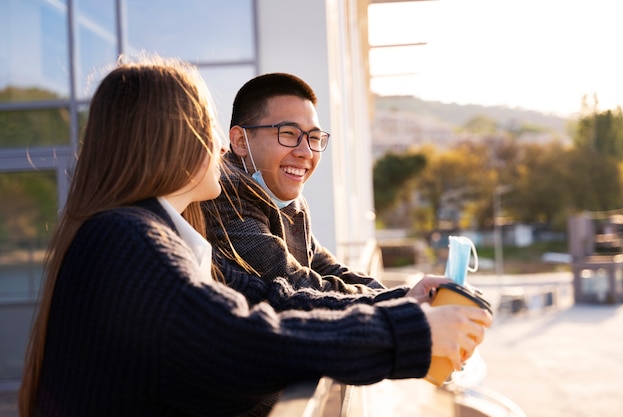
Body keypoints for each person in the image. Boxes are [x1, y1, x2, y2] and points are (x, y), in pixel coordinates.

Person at [18, 56, 491, 417]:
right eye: (208, 127)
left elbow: (270, 299)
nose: (221, 145)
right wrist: (407, 333)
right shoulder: (125, 238)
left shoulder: (142, 234)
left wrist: (401, 305)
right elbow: (242, 339)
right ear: (168, 138)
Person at [203, 72, 393, 295]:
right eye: (288, 134)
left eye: (313, 138)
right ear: (240, 141)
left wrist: (404, 296)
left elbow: (326, 267)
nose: (306, 152)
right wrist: (401, 304)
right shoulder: (225, 193)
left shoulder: (287, 201)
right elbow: (297, 286)